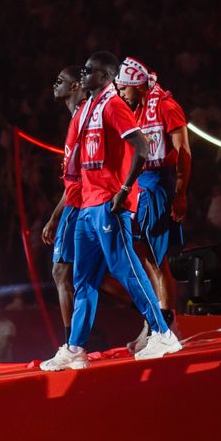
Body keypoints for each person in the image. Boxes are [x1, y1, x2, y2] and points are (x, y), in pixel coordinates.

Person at [41, 51, 182, 370]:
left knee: (126, 268)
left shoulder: (112, 104)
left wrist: (123, 190)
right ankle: (75, 347)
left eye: (90, 70)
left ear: (105, 77)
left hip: (108, 202)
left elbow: (143, 147)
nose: (84, 74)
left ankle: (163, 332)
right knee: (84, 278)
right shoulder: (87, 107)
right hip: (87, 205)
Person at [115, 56, 192, 343]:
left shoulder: (167, 106)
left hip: (160, 184)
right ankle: (156, 321)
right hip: (141, 187)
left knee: (157, 260)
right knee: (144, 256)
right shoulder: (138, 109)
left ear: (137, 84)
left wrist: (181, 193)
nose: (121, 93)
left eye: (124, 87)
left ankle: (166, 325)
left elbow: (183, 151)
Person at [41, 66, 86, 338]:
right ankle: (153, 321)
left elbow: (79, 177)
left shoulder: (81, 118)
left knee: (61, 272)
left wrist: (58, 216)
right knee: (96, 275)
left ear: (74, 87)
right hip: (78, 202)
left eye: (59, 81)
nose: (53, 85)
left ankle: (71, 342)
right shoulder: (75, 120)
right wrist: (54, 216)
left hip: (82, 204)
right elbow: (71, 178)